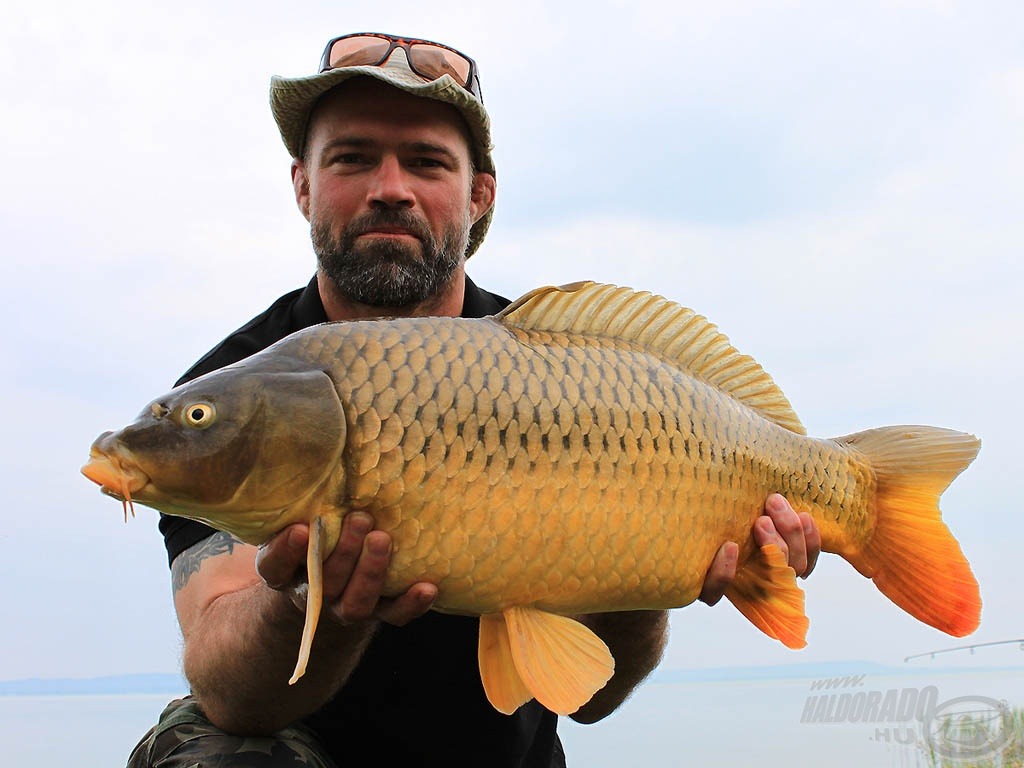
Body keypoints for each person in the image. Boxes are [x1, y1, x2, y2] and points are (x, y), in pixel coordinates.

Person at [127, 32, 821, 768]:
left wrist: (652, 577)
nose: (389, 186)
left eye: (426, 162)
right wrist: (311, 605)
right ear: (303, 183)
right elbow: (229, 690)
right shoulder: (233, 400)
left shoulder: (568, 365)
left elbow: (590, 699)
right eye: (352, 157)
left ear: (478, 194)